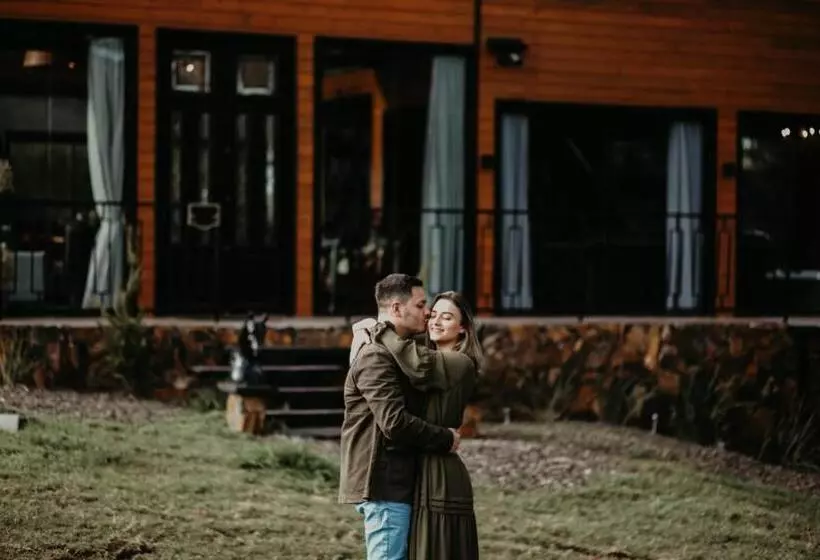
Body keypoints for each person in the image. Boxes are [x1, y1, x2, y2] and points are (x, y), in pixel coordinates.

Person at [339, 273, 461, 560]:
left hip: (398, 482)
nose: (427, 311)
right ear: (396, 308)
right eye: (420, 305)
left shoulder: (398, 351)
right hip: (384, 483)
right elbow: (394, 423)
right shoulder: (375, 356)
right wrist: (445, 438)